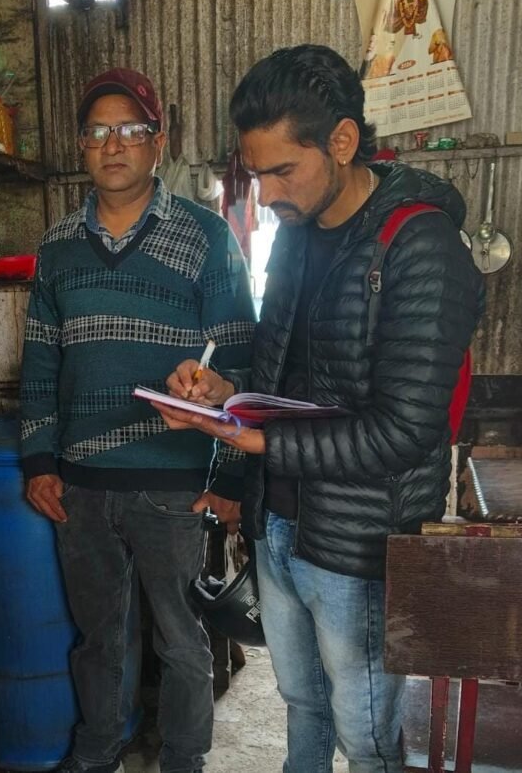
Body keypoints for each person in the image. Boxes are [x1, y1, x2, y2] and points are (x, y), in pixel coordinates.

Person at [154, 44, 484, 773]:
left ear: (340, 140)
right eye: (256, 174)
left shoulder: (420, 246)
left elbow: (406, 430)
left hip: (357, 546)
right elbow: (279, 374)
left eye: (281, 171)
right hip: (279, 526)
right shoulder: (297, 238)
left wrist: (264, 448)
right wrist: (223, 395)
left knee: (366, 738)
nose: (267, 193)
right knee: (301, 704)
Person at [19, 68, 256, 773]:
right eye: (97, 131)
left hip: (173, 484)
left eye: (130, 129)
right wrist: (39, 461)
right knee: (98, 637)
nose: (113, 144)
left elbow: (241, 365)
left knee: (181, 640)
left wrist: (231, 477)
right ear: (81, 145)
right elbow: (39, 365)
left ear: (159, 142)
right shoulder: (57, 247)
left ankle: (184, 760)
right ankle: (98, 753)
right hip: (83, 485)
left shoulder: (206, 237)